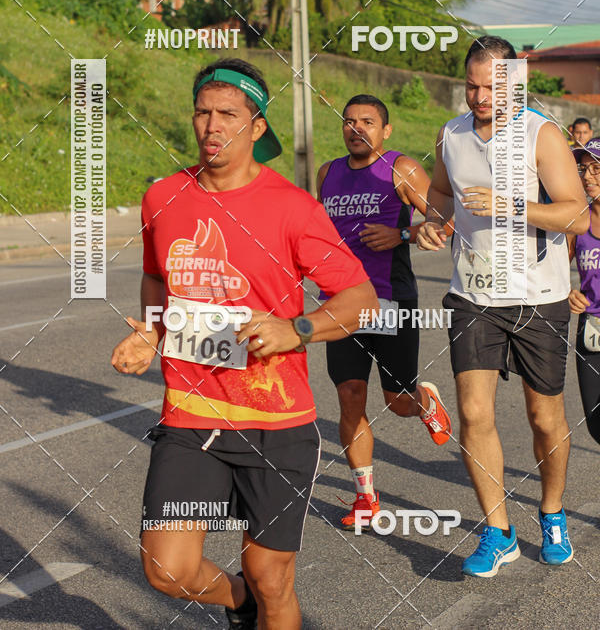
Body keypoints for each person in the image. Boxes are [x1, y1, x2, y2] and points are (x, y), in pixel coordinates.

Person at [111, 58, 377, 629]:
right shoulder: (162, 197)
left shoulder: (291, 207)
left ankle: (262, 600)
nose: (212, 125)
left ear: (257, 127)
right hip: (191, 418)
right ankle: (246, 607)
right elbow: (157, 276)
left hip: (275, 423)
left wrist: (297, 328)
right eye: (203, 113)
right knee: (167, 568)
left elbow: (360, 298)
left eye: (228, 114)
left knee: (271, 575)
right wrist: (152, 331)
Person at [417, 35, 588, 578]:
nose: (480, 96)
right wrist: (431, 222)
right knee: (473, 413)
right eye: (472, 85)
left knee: (545, 418)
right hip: (474, 295)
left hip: (539, 298)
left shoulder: (541, 134)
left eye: (493, 86)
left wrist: (513, 204)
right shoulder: (452, 135)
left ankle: (553, 512)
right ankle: (497, 530)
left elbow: (578, 217)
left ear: (516, 84)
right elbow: (441, 196)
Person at [316, 94, 452, 531]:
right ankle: (366, 499)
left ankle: (425, 401)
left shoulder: (401, 168)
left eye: (368, 122)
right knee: (350, 398)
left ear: (385, 130)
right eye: (349, 121)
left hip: (391, 301)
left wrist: (401, 234)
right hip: (339, 304)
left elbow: (444, 218)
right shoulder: (328, 172)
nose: (357, 128)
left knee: (397, 402)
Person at [569, 138, 600, 446]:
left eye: (596, 168)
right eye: (584, 169)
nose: (588, 176)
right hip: (591, 327)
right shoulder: (578, 221)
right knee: (595, 423)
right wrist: (567, 291)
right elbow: (550, 267)